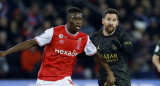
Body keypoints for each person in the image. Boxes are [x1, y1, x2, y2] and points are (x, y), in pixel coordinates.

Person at [0, 7, 115, 86]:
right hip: (44, 81)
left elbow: (97, 56)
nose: (78, 22)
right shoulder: (53, 32)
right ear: (67, 20)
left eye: (80, 19)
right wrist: (6, 52)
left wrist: (109, 73)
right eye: (75, 19)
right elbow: (31, 43)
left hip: (64, 80)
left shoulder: (84, 38)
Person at [90, 8, 134, 86]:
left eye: (114, 20)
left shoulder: (121, 35)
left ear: (117, 23)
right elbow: (83, 53)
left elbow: (130, 52)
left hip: (122, 79)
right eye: (108, 19)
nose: (111, 23)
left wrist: (120, 47)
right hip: (104, 80)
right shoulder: (94, 37)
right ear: (103, 21)